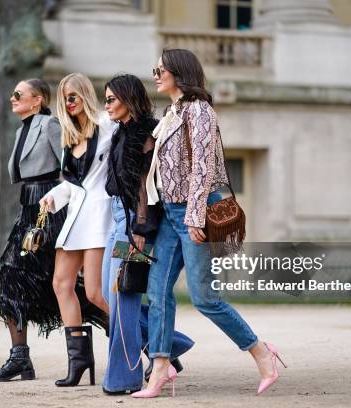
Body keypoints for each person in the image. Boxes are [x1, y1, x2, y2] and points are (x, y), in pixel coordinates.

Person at [132, 49, 286, 399]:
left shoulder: (199, 110)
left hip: (191, 213)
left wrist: (194, 216)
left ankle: (261, 351)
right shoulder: (170, 113)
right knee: (157, 293)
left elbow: (202, 167)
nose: (155, 74)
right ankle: (159, 370)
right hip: (169, 215)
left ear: (179, 73)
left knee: (204, 297)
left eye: (160, 69)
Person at [0, 78, 107, 383]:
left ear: (37, 99)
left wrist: (61, 208)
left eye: (19, 94)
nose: (12, 99)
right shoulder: (20, 130)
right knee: (14, 277)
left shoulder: (51, 125)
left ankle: (141, 342)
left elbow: (69, 171)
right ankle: (20, 358)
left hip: (52, 213)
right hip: (30, 209)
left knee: (75, 288)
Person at [100, 74, 194, 395]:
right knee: (107, 296)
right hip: (116, 221)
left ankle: (123, 378)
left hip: (132, 224)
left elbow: (144, 185)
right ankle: (168, 345)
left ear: (128, 99)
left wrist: (140, 230)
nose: (107, 105)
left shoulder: (146, 133)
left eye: (111, 99)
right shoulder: (120, 132)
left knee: (123, 298)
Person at [39, 73, 115, 387]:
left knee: (97, 293)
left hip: (99, 217)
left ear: (85, 93)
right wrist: (52, 197)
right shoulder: (71, 137)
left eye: (73, 96)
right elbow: (72, 185)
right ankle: (80, 360)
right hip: (75, 219)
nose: (69, 103)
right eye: (64, 99)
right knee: (61, 283)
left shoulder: (107, 124)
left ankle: (153, 344)